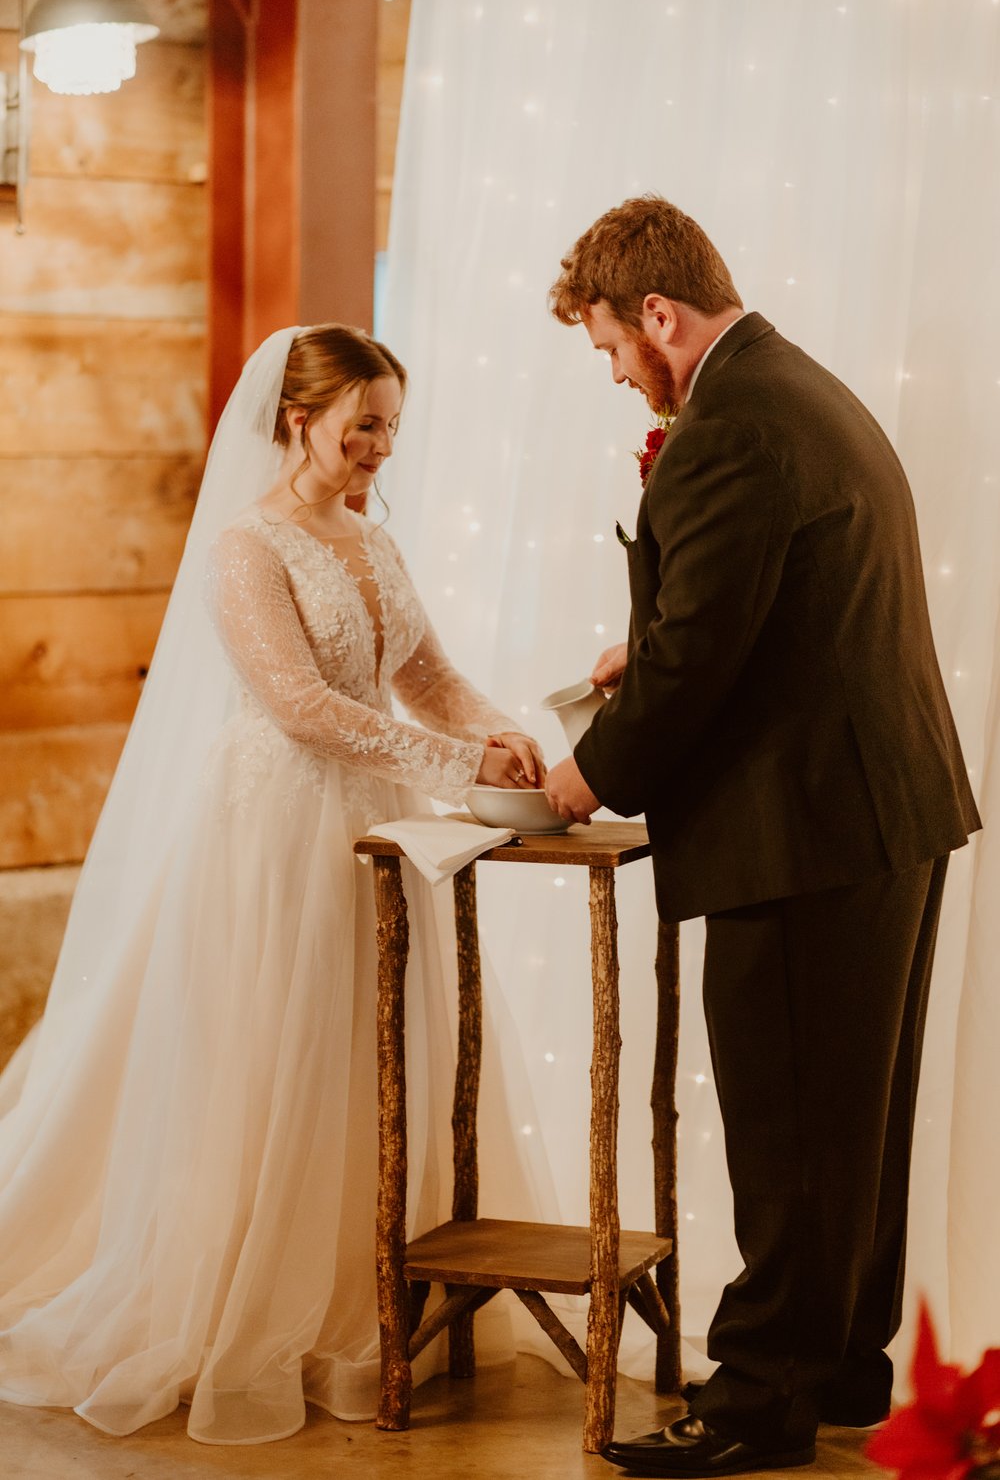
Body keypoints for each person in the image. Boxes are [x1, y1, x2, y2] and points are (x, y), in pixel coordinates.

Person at [0, 324, 546, 1444]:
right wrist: (453, 764)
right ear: (300, 418)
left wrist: (510, 737)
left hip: (379, 824)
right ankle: (259, 1305)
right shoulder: (248, 546)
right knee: (277, 1055)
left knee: (376, 1057)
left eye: (393, 424)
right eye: (365, 424)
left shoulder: (369, 539)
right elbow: (299, 704)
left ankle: (383, 1294)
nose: (382, 446)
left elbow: (427, 679)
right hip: (279, 827)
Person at [543, 196, 980, 1477]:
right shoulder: (795, 388)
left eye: (614, 348)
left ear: (659, 314)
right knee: (854, 1121)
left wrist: (586, 774)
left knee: (788, 1123)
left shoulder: (728, 425)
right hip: (880, 807)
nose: (620, 376)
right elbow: (758, 606)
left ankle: (757, 1405)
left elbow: (696, 670)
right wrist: (657, 641)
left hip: (804, 826)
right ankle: (839, 1361)